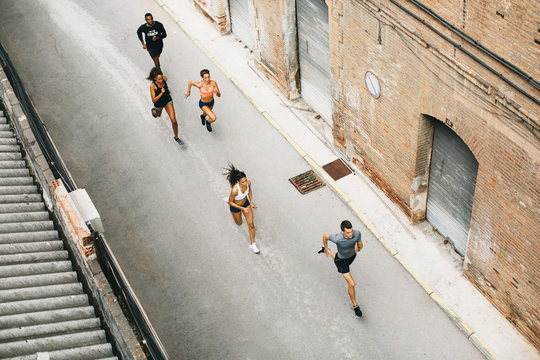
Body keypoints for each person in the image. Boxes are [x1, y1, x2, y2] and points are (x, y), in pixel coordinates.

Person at [320, 220, 364, 317]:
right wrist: (326, 247)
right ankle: (355, 306)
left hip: (351, 257)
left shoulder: (357, 233)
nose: (351, 234)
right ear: (342, 231)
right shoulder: (337, 238)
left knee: (337, 255)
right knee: (351, 284)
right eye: (348, 232)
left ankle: (325, 251)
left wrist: (359, 248)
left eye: (351, 231)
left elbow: (360, 244)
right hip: (341, 262)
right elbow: (325, 236)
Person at [224, 164, 259, 254]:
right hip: (235, 206)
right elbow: (231, 202)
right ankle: (226, 201)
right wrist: (241, 209)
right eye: (242, 182)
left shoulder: (248, 183)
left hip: (245, 204)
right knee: (239, 223)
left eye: (245, 180)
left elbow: (249, 191)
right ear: (238, 182)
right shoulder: (235, 190)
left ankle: (252, 244)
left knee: (251, 224)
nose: (245, 183)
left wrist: (251, 202)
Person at [147, 67, 183, 146]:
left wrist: (167, 90)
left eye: (161, 78)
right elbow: (153, 100)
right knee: (158, 115)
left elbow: (165, 85)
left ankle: (176, 137)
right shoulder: (153, 86)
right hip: (159, 104)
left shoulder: (164, 79)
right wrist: (161, 93)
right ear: (155, 79)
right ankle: (154, 111)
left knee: (173, 120)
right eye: (159, 79)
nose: (161, 80)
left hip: (167, 101)